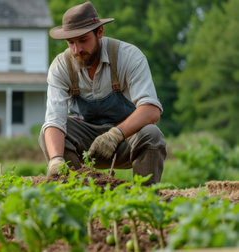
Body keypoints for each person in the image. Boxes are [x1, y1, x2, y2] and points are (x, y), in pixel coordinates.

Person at [39, 1, 167, 185]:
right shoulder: (61, 67)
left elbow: (151, 110)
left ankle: (145, 199)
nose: (77, 50)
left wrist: (115, 135)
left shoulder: (129, 56)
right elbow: (54, 120)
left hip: (126, 141)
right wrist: (56, 159)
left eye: (83, 40)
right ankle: (77, 193)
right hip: (86, 146)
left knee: (152, 134)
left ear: (99, 32)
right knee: (48, 134)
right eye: (71, 43)